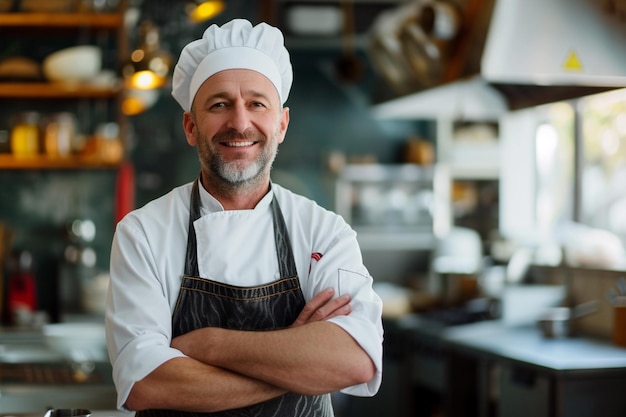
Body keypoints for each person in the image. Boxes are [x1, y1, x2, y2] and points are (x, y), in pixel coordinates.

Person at [105, 18, 383, 417]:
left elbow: (354, 361)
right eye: (219, 104)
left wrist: (210, 345)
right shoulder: (143, 233)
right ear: (190, 126)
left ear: (282, 124)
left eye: (257, 103)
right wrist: (296, 357)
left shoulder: (325, 232)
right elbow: (147, 384)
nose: (239, 122)